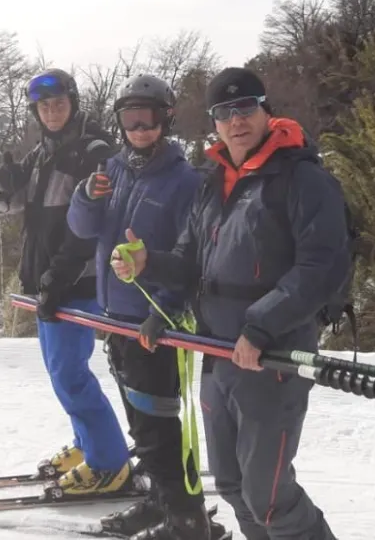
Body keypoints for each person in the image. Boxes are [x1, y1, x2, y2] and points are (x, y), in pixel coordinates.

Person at [109, 66, 350, 540]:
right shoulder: (212, 182)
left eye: (246, 108)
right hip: (218, 354)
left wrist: (260, 327)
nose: (236, 120)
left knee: (269, 496)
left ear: (265, 110)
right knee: (233, 485)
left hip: (271, 356)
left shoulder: (301, 178)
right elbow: (190, 260)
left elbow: (321, 268)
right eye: (224, 112)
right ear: (213, 123)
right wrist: (148, 265)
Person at [67, 74, 223, 540]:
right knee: (142, 425)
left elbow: (192, 257)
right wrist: (84, 198)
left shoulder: (184, 180)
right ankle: (161, 501)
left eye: (148, 118)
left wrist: (169, 311)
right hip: (115, 319)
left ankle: (188, 520)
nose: (139, 128)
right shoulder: (111, 170)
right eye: (130, 119)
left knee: (158, 426)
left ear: (166, 119)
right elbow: (82, 229)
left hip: (154, 323)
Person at [0, 67, 134, 496]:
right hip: (44, 278)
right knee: (60, 372)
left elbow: (94, 225)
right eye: (44, 106)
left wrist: (60, 277)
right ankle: (89, 445)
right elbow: (17, 211)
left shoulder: (94, 151)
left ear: (73, 104)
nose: (52, 112)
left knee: (70, 374)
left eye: (59, 104)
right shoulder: (42, 153)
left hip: (76, 281)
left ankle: (109, 464)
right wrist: (5, 188)